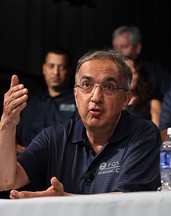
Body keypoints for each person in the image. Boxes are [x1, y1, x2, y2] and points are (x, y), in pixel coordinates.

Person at [0, 49, 161, 199]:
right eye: (86, 85)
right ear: (76, 96)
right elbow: (6, 180)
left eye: (109, 86)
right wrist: (7, 124)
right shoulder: (54, 138)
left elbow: (129, 202)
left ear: (126, 99)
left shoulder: (143, 135)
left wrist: (66, 202)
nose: (96, 97)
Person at [16, 47, 78, 153]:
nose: (56, 72)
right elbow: (14, 136)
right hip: (24, 163)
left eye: (61, 67)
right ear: (44, 68)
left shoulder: (78, 102)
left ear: (69, 71)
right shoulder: (28, 102)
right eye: (51, 66)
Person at [112, 25, 171, 101]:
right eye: (115, 47)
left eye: (124, 46)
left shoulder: (157, 72)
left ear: (137, 48)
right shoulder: (108, 70)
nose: (118, 52)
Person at [125, 56, 161, 127]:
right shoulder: (113, 104)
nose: (127, 77)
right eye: (124, 73)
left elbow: (156, 135)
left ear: (140, 75)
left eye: (131, 73)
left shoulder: (153, 104)